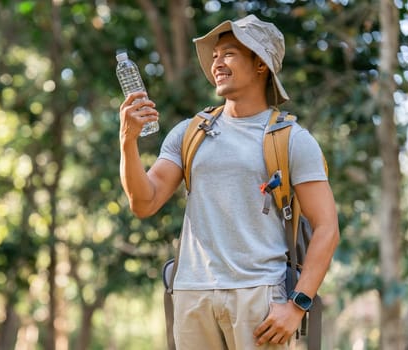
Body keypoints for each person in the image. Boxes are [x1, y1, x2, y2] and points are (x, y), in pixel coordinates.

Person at [118, 14, 339, 349]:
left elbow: (327, 227)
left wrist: (297, 306)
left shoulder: (292, 139)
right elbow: (144, 202)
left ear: (261, 64)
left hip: (261, 296)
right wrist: (128, 142)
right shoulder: (190, 132)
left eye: (229, 54)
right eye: (215, 55)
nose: (216, 62)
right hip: (193, 293)